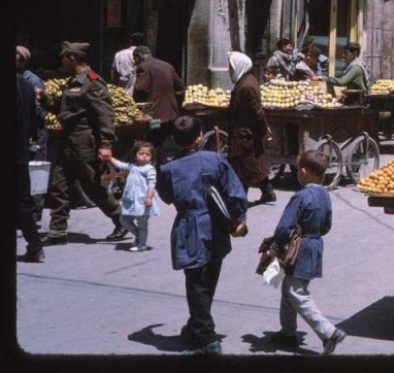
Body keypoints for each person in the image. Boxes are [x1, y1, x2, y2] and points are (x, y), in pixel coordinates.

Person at [156, 115, 249, 356]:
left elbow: (166, 197)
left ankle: (205, 337)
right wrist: (239, 220)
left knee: (196, 281)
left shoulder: (168, 168)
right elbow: (235, 192)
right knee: (208, 280)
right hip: (216, 225)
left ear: (175, 140)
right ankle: (197, 328)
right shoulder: (214, 159)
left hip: (188, 226)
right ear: (199, 137)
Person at [42, 41, 127, 246]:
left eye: (63, 58)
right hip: (67, 140)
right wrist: (44, 99)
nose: (61, 62)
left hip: (84, 142)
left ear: (71, 58)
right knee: (58, 185)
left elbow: (105, 115)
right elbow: (65, 110)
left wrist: (106, 144)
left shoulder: (92, 81)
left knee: (92, 185)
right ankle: (57, 230)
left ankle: (121, 219)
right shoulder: (72, 81)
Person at [267, 149, 346, 355]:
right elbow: (327, 225)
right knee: (289, 289)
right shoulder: (325, 195)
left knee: (296, 292)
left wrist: (275, 248)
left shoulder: (300, 196)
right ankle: (288, 333)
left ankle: (329, 332)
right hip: (315, 246)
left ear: (303, 171)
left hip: (299, 249)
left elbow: (285, 227)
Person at [228, 51, 276, 203]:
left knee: (245, 166)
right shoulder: (247, 80)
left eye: (231, 66)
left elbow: (256, 112)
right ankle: (267, 192)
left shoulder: (246, 86)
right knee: (254, 163)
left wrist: (264, 129)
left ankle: (240, 200)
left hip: (246, 133)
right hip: (247, 131)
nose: (229, 69)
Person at [132, 45, 185, 165]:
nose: (134, 62)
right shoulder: (167, 65)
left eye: (134, 59)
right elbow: (180, 87)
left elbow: (140, 88)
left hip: (155, 117)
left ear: (139, 57)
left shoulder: (143, 67)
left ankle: (161, 168)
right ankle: (163, 168)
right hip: (171, 114)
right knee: (158, 144)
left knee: (151, 144)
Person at [16, 45, 48, 225]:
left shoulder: (32, 81)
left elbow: (37, 112)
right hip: (23, 133)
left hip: (34, 133)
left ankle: (35, 215)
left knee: (36, 173)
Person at [109, 141, 160, 252]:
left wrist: (149, 197)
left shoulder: (149, 169)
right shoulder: (132, 167)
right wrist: (110, 158)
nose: (144, 156)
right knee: (124, 220)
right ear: (135, 155)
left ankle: (142, 244)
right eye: (141, 153)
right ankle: (139, 235)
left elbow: (152, 183)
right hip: (131, 201)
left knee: (142, 224)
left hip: (143, 201)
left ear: (151, 157)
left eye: (148, 154)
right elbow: (120, 164)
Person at [17, 72, 44, 262]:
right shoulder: (25, 84)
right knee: (23, 202)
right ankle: (35, 247)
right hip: (20, 151)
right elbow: (35, 116)